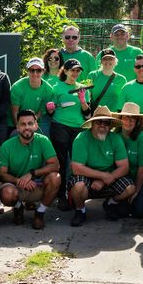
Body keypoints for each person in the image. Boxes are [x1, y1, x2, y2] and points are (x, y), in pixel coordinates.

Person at [68, 106, 134, 226]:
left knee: (130, 188)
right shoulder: (81, 138)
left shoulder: (115, 138)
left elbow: (124, 167)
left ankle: (110, 203)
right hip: (86, 176)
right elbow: (77, 168)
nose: (103, 125)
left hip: (108, 178)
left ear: (110, 126)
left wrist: (103, 180)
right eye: (99, 122)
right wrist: (103, 175)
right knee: (78, 186)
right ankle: (80, 210)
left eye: (106, 122)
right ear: (92, 123)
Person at [0, 109, 62, 230]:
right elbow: (2, 174)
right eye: (23, 124)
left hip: (36, 185)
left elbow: (55, 165)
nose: (27, 127)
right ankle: (18, 208)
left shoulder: (43, 140)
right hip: (15, 186)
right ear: (17, 127)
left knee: (55, 177)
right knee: (7, 194)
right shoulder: (7, 145)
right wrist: (19, 181)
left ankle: (40, 213)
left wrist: (32, 174)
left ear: (36, 125)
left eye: (30, 123)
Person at [50, 59, 90, 210]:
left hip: (78, 129)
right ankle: (61, 196)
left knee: (77, 163)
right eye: (72, 70)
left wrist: (82, 101)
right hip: (60, 126)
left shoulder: (82, 89)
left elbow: (87, 114)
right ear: (65, 71)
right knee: (61, 162)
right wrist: (50, 107)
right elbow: (51, 110)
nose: (75, 73)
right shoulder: (56, 88)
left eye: (78, 70)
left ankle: (76, 194)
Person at [115, 102, 143, 218]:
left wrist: (135, 191)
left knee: (139, 213)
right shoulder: (115, 135)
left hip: (141, 180)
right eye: (126, 117)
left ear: (137, 122)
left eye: (133, 118)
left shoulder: (142, 137)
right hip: (123, 180)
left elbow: (142, 168)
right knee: (122, 212)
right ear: (121, 119)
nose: (129, 121)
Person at [11, 57, 57, 133]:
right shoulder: (17, 87)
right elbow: (15, 111)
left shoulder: (48, 90)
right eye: (32, 70)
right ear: (27, 71)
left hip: (36, 120)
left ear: (43, 71)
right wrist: (20, 128)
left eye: (38, 70)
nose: (35, 73)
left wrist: (31, 123)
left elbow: (41, 111)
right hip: (16, 121)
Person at [87, 48, 127, 113]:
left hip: (114, 115)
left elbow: (123, 100)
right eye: (105, 59)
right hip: (96, 115)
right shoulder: (92, 75)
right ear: (101, 61)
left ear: (115, 61)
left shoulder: (121, 79)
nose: (108, 61)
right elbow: (87, 96)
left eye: (110, 59)